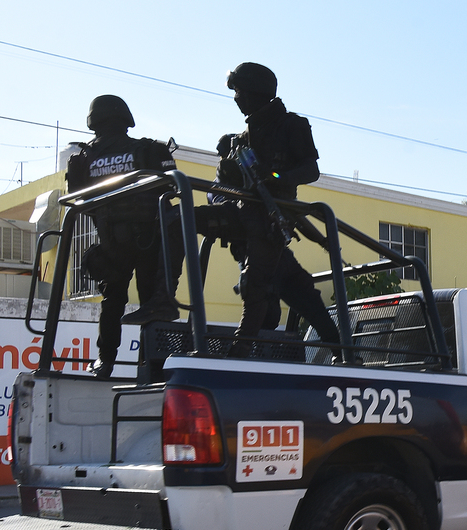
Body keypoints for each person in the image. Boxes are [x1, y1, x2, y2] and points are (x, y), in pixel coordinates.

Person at [131, 62, 339, 357]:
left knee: (274, 286)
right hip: (241, 215)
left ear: (257, 92)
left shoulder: (292, 125)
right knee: (178, 218)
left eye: (239, 91)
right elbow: (222, 186)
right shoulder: (238, 140)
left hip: (270, 219)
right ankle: (164, 299)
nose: (236, 98)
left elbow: (310, 170)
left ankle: (244, 349)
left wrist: (276, 177)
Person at [66, 95, 178, 378]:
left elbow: (76, 202)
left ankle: (106, 363)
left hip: (112, 241)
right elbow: (173, 187)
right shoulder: (149, 150)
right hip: (147, 239)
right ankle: (153, 366)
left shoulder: (81, 160)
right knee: (151, 305)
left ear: (93, 122)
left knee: (112, 303)